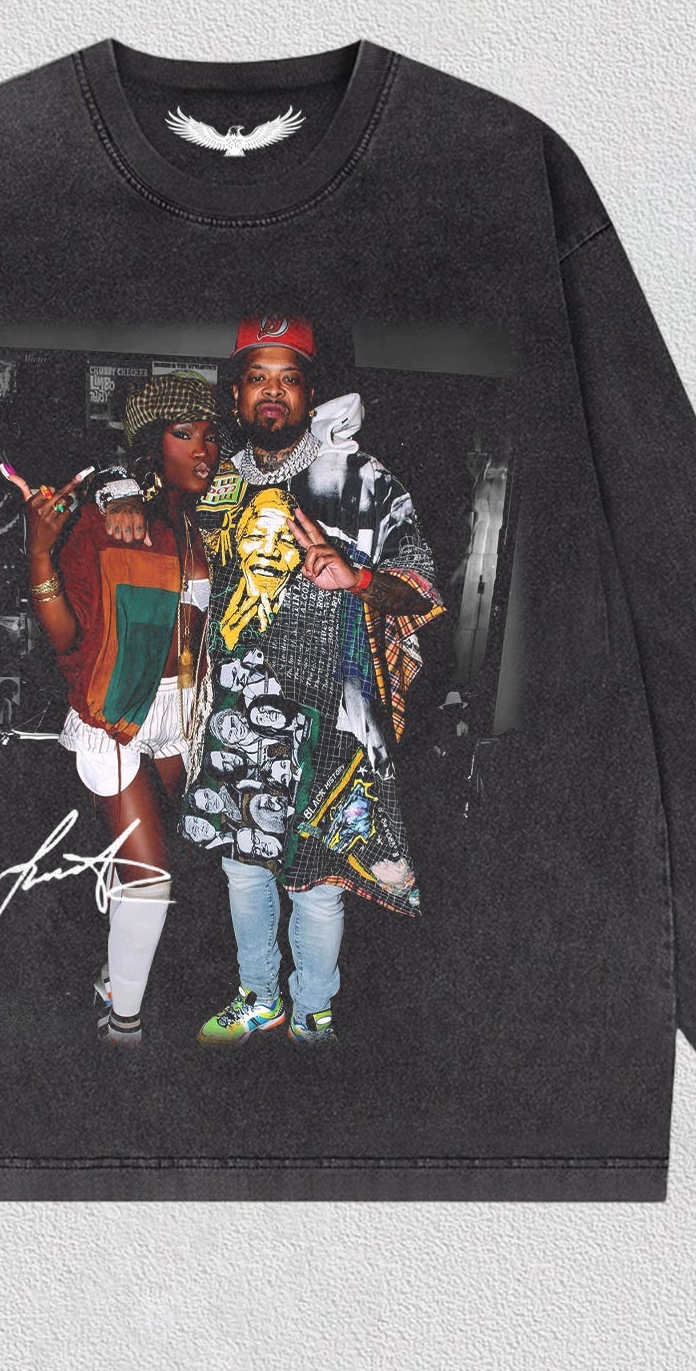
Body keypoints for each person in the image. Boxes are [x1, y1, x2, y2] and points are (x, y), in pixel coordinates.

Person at [103, 315, 445, 1048]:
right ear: (236, 394)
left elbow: (419, 587)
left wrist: (358, 578)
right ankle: (258, 996)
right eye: (257, 377)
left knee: (315, 886)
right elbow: (140, 465)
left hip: (325, 720)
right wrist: (120, 492)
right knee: (243, 871)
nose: (272, 393)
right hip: (235, 715)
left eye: (289, 379)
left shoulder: (361, 478)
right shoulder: (218, 476)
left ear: (309, 393)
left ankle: (314, 1010)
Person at [3, 372, 220, 1046]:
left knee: (185, 857)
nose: (204, 449)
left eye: (211, 435)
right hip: (117, 715)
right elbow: (67, 637)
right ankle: (121, 1021)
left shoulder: (205, 521)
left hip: (184, 716)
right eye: (184, 434)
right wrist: (40, 548)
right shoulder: (108, 521)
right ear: (151, 447)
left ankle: (117, 973)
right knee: (150, 878)